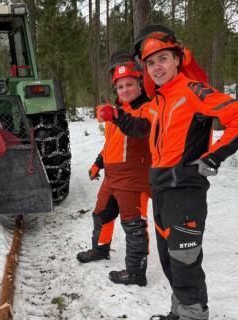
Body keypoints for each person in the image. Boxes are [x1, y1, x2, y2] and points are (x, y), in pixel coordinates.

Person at [96, 25, 238, 320]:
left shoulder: (192, 91)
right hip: (161, 190)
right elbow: (138, 126)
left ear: (177, 58)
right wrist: (117, 115)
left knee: (185, 258)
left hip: (186, 190)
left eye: (162, 59)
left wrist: (214, 157)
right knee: (170, 258)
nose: (156, 67)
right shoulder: (158, 101)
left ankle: (193, 315)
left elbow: (235, 116)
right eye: (150, 63)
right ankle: (181, 311)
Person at [77, 51, 152, 287]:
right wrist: (98, 163)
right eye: (120, 86)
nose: (125, 90)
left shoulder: (148, 108)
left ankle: (136, 273)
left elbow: (139, 129)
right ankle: (100, 250)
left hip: (134, 178)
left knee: (134, 226)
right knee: (101, 214)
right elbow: (111, 144)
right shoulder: (115, 113)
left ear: (140, 83)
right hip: (111, 177)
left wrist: (116, 115)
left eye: (130, 84)